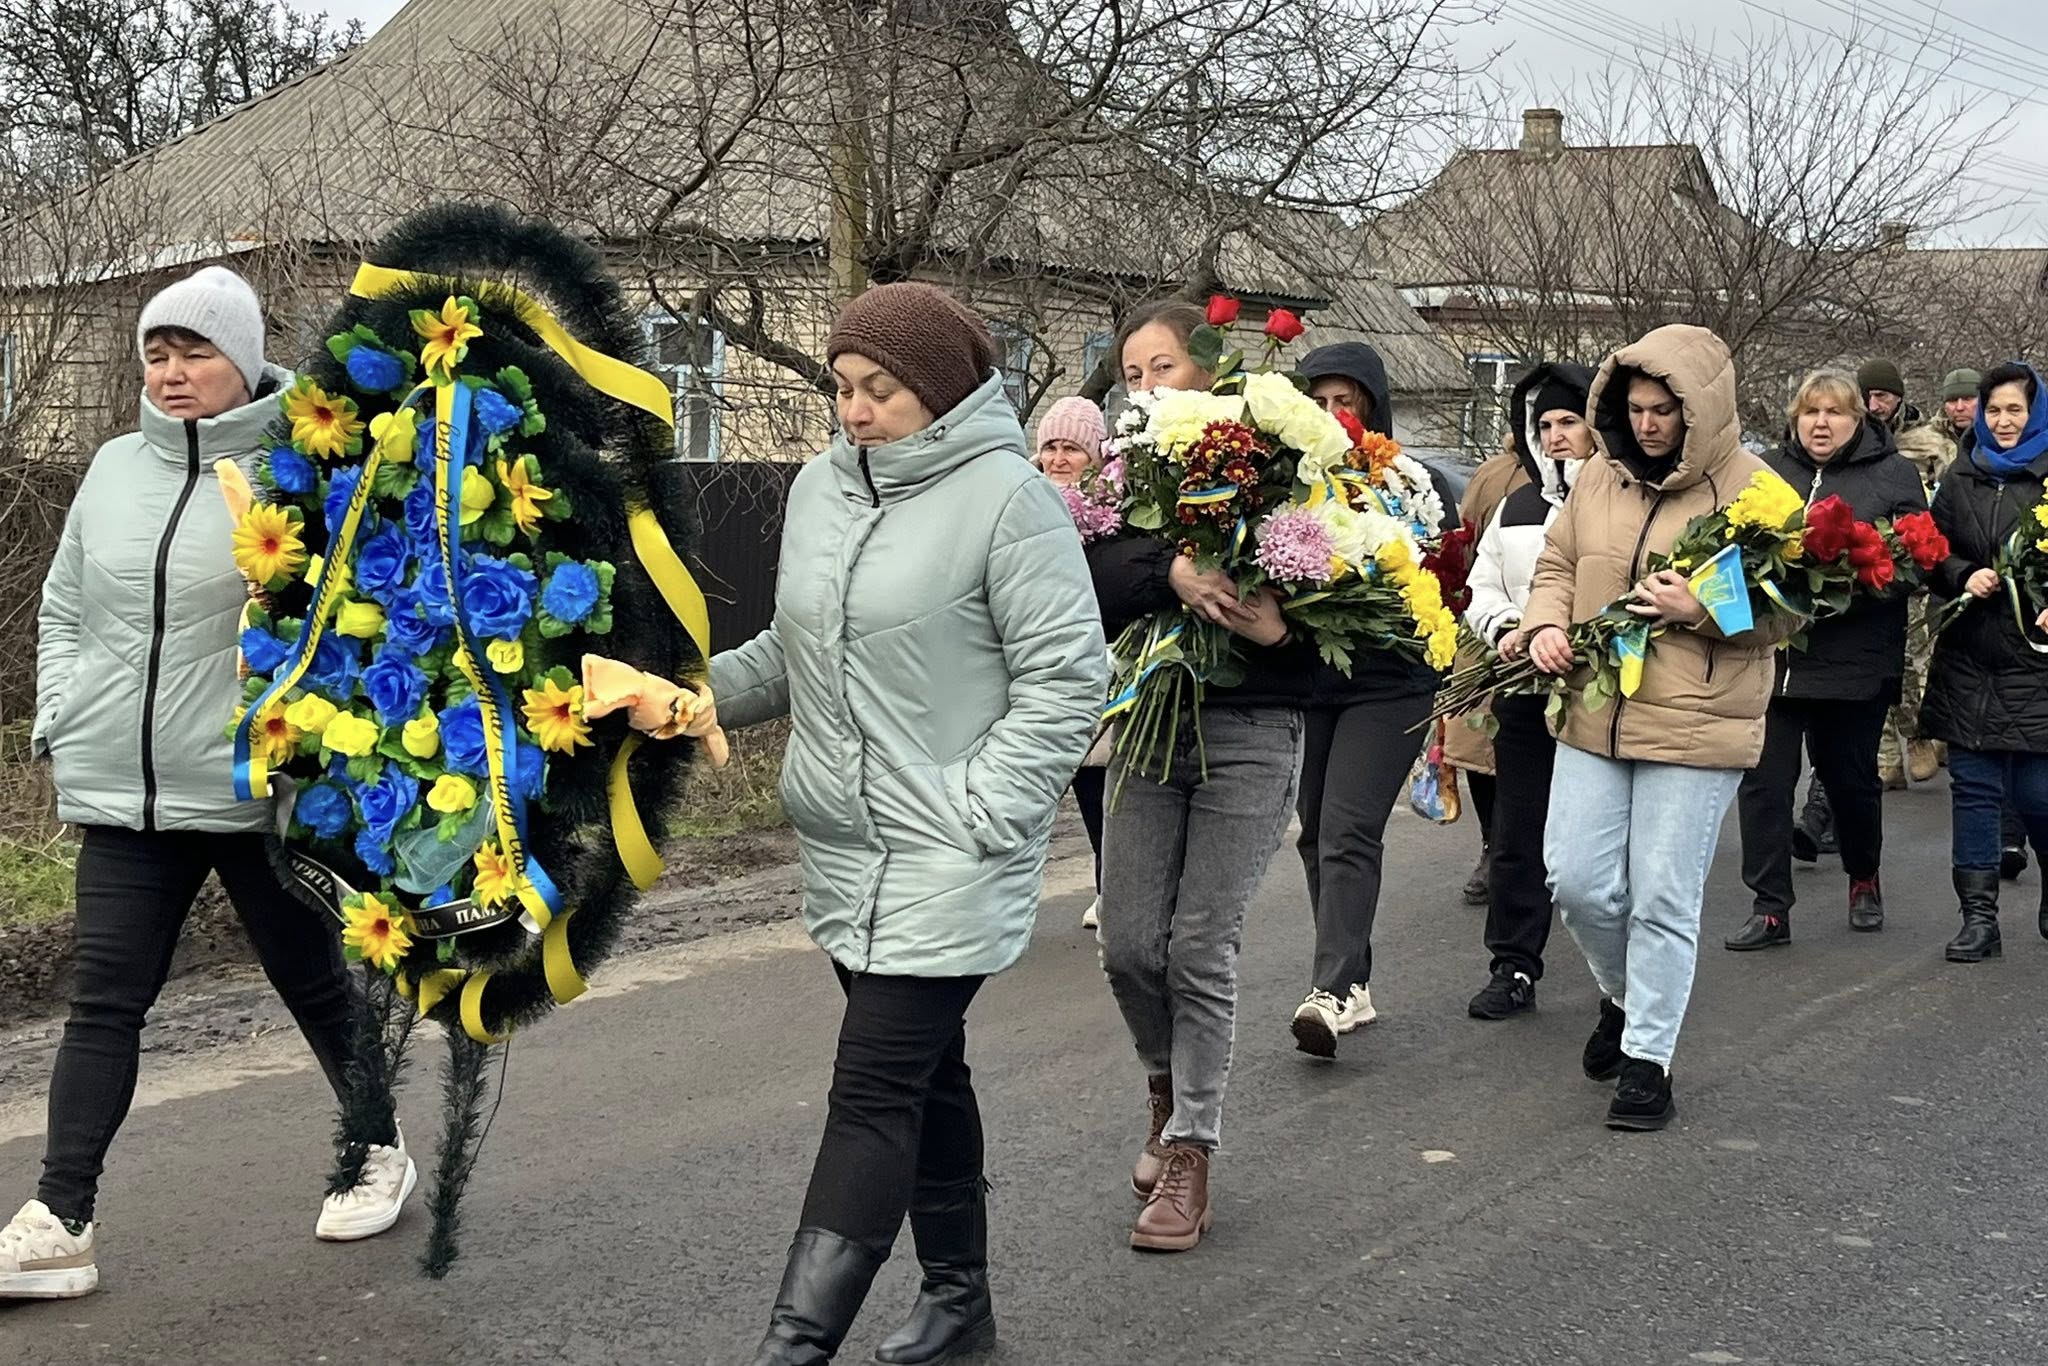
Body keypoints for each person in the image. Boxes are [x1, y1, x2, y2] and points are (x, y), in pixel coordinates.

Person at [1, 267, 413, 1302]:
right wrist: (66, 708)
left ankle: (375, 1144)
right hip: (127, 796)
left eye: (195, 352)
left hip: (250, 790)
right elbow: (63, 608)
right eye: (157, 352)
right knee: (103, 1000)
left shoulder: (304, 469)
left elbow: (355, 619)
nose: (173, 373)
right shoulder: (109, 468)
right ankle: (62, 1219)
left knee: (311, 981)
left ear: (243, 359)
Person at [717, 282, 1104, 1362]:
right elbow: (793, 652)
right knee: (930, 1076)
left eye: (878, 389)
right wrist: (688, 698)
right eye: (841, 387)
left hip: (950, 852)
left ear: (936, 391)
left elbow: (1067, 678)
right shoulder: (820, 492)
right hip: (845, 848)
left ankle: (791, 1348)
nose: (853, 410)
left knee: (872, 1086)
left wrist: (982, 807)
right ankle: (960, 1303)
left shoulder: (1006, 498)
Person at [1521, 325, 1797, 1131]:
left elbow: (1792, 608)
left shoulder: (1759, 491)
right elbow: (1558, 566)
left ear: (1699, 409)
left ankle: (1648, 1061)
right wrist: (1544, 626)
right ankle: (1624, 996)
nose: (1646, 425)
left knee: (1662, 899)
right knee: (1575, 879)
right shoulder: (1599, 480)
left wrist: (1703, 607)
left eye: (1663, 411)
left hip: (1700, 720)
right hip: (1595, 708)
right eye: (1635, 409)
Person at [1090, 298, 1309, 1253]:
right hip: (1150, 719)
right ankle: (1163, 1081)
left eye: (1164, 367)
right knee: (1130, 945)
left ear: (1212, 369)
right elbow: (1087, 572)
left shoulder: (1281, 467)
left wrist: (1282, 631)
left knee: (1197, 945)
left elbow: (1346, 604)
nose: (1146, 388)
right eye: (1132, 374)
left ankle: (1191, 1150)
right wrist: (1169, 570)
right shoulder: (1117, 480)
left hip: (1253, 729)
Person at [1284, 340, 1448, 1057]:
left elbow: (1432, 566)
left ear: (1372, 407)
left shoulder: (1407, 481)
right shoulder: (1287, 480)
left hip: (1391, 680)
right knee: (1316, 830)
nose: (1330, 415)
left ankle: (1333, 988)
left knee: (1349, 827)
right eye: (1317, 403)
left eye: (1343, 402)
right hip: (1313, 675)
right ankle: (1353, 979)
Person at [1726, 374, 1925, 951]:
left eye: (1835, 412)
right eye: (1810, 411)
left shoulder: (1893, 475)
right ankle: (1769, 908)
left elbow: (1916, 562)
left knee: (1850, 784)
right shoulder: (1764, 471)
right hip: (1774, 660)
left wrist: (1855, 577)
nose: (1821, 423)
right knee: (1763, 785)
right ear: (1794, 418)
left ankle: (1863, 875)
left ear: (1858, 419)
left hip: (1853, 664)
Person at [1461, 362, 1594, 1018]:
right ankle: (1513, 965)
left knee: (1592, 850)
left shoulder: (1620, 501)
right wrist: (1508, 627)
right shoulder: (1516, 507)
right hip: (1523, 687)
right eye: (1545, 425)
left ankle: (1619, 979)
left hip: (1603, 692)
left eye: (1569, 421)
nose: (1557, 435)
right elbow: (1481, 588)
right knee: (1518, 831)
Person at [1918, 361, 2048, 965]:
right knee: (1972, 789)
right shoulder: (1961, 475)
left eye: (2013, 410)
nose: (2001, 421)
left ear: (2035, 412)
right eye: (1993, 410)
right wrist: (1964, 574)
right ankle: (1978, 919)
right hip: (1969, 654)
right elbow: (1931, 551)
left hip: (2035, 663)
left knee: (2035, 792)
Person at [1442, 427, 1532, 906]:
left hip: (1546, 623)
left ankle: (1531, 847)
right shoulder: (1492, 472)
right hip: (1483, 620)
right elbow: (1464, 539)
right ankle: (1491, 844)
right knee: (1473, 740)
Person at [1034, 395, 1112, 930]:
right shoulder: (1024, 506)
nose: (1060, 460)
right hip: (1033, 664)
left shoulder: (1110, 515)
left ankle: (1114, 885)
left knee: (1096, 783)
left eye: (1073, 449)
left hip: (1095, 661)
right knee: (1028, 793)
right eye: (1051, 448)